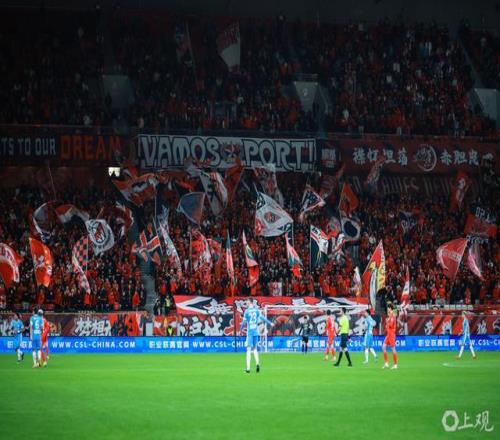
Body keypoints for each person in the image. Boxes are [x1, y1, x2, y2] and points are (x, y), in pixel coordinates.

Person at [239, 300, 273, 373]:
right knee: (255, 349)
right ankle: (257, 364)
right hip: (255, 332)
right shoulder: (257, 310)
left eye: (247, 302)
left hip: (250, 333)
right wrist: (270, 323)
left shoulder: (247, 311)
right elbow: (263, 318)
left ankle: (248, 369)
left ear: (250, 303)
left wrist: (240, 330)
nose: (246, 304)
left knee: (248, 350)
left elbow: (244, 322)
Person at [382, 304, 398, 369]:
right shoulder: (390, 315)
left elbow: (391, 325)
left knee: (393, 349)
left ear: (390, 308)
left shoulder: (392, 316)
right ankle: (386, 363)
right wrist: (387, 323)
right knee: (383, 347)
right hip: (388, 334)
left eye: (388, 308)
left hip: (391, 334)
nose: (387, 309)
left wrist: (387, 321)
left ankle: (395, 365)